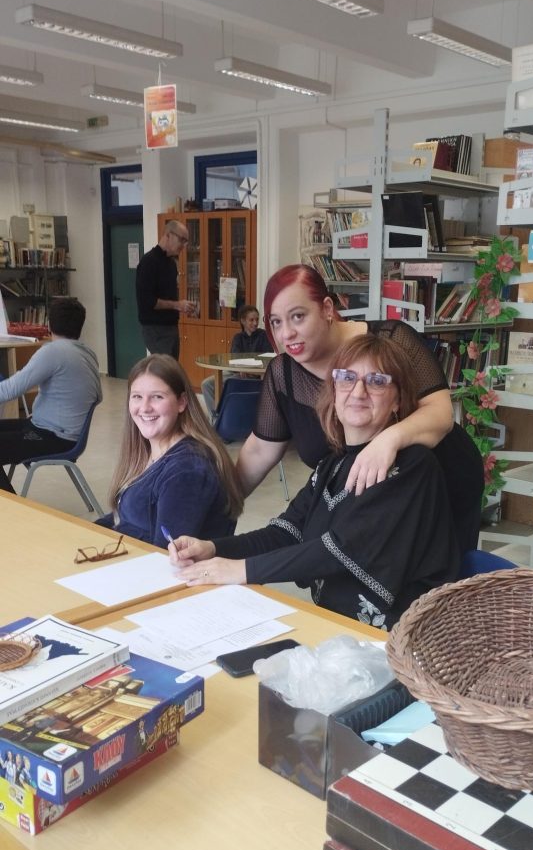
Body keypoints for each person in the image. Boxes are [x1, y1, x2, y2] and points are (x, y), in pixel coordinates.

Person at [169, 334, 459, 629]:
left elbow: (339, 549)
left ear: (397, 400)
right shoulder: (332, 464)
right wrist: (214, 549)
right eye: (346, 378)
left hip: (401, 639)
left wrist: (240, 570)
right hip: (336, 627)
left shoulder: (413, 467)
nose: (358, 391)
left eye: (376, 381)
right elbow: (285, 533)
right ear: (334, 392)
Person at [235, 264, 484, 555]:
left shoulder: (391, 339)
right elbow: (260, 450)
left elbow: (440, 413)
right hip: (365, 506)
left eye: (298, 316)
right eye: (276, 322)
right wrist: (219, 507)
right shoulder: (284, 374)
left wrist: (388, 440)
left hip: (440, 486)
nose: (286, 333)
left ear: (327, 309)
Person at [96, 354, 243, 548]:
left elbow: (165, 555)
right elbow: (124, 516)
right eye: (137, 396)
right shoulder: (148, 451)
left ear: (181, 402)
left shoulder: (187, 471)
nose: (145, 408)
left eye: (157, 397)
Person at [0, 298, 102, 493]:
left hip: (53, 437)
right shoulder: (88, 353)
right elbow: (97, 395)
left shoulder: (53, 352)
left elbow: (12, 389)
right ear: (80, 326)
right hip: (57, 432)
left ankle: (9, 507)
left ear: (49, 325)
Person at [135, 219, 198, 359]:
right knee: (165, 369)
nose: (184, 245)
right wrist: (177, 305)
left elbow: (168, 296)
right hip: (156, 329)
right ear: (168, 235)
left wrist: (182, 306)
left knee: (172, 368)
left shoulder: (171, 263)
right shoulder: (148, 262)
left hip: (171, 326)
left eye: (186, 241)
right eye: (182, 240)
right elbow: (148, 302)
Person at [200, 305, 273, 418]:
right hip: (236, 372)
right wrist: (241, 368)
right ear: (243, 321)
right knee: (206, 384)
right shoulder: (238, 337)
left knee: (231, 384)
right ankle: (216, 418)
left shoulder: (263, 335)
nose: (255, 323)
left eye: (257, 319)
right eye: (251, 320)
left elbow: (268, 357)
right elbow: (234, 357)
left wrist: (248, 369)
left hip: (256, 374)